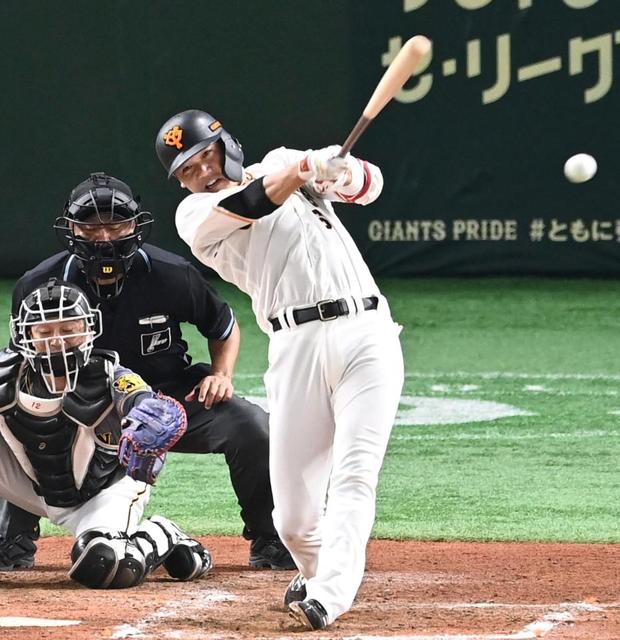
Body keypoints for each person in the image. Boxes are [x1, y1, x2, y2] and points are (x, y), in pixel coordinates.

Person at [155, 109, 404, 629]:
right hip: (294, 346)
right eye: (185, 169)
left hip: (367, 333)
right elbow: (254, 201)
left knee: (356, 475)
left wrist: (338, 170)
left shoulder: (286, 167)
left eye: (204, 156)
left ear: (227, 144)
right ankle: (316, 575)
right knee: (292, 522)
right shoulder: (196, 216)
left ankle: (328, 597)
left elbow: (372, 187)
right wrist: (300, 168)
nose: (199, 172)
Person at [0, 172, 294, 572]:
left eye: (115, 223)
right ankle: (10, 541)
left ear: (135, 225)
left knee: (253, 427)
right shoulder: (39, 284)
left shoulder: (171, 273)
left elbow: (223, 326)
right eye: (91, 225)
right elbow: (26, 358)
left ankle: (271, 539)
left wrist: (221, 375)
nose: (104, 236)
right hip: (80, 407)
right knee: (12, 421)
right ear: (71, 229)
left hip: (167, 398)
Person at [0, 278, 212, 588]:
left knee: (103, 565)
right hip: (33, 484)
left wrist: (150, 417)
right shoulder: (7, 375)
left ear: (88, 330)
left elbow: (146, 403)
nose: (57, 341)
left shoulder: (111, 374)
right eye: (44, 332)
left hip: (104, 490)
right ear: (26, 335)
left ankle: (160, 535)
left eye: (69, 330)